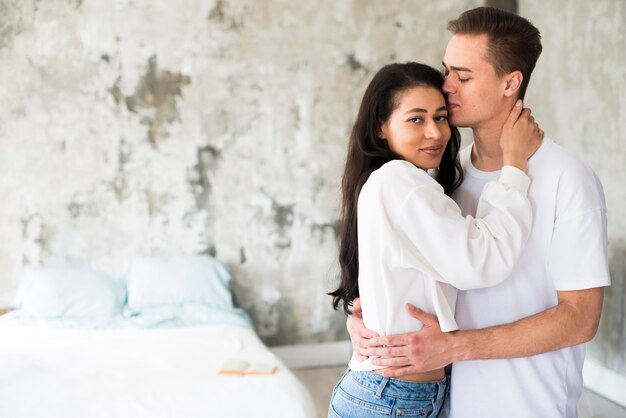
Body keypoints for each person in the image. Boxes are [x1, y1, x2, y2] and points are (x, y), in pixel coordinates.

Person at [347, 7, 610, 418]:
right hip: (441, 401)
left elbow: (580, 320)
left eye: (463, 76)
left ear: (511, 83)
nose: (446, 86)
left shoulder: (566, 178)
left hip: (527, 407)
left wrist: (456, 345)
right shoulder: (446, 175)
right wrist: (369, 320)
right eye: (446, 71)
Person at [327, 62, 542, 418]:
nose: (434, 133)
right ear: (381, 127)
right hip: (392, 398)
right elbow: (482, 262)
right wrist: (515, 165)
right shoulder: (399, 181)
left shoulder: (396, 183)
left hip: (393, 394)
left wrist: (359, 316)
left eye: (440, 117)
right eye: (416, 119)